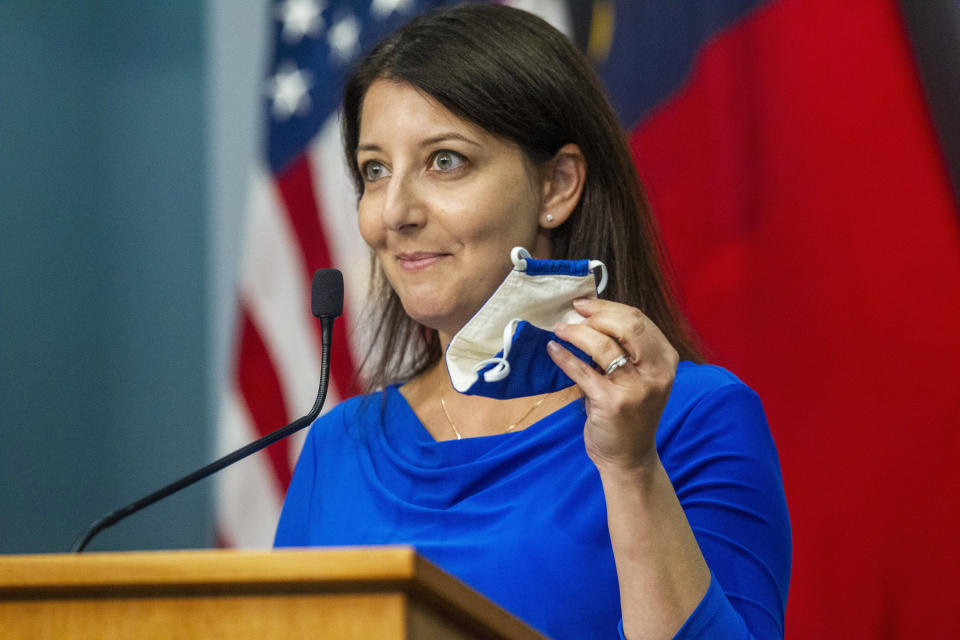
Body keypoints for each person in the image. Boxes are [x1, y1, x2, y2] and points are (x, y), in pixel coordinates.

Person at [275, 4, 791, 639]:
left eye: (444, 161)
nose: (395, 212)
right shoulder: (339, 444)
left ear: (557, 186)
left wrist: (631, 470)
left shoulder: (691, 416)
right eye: (375, 169)